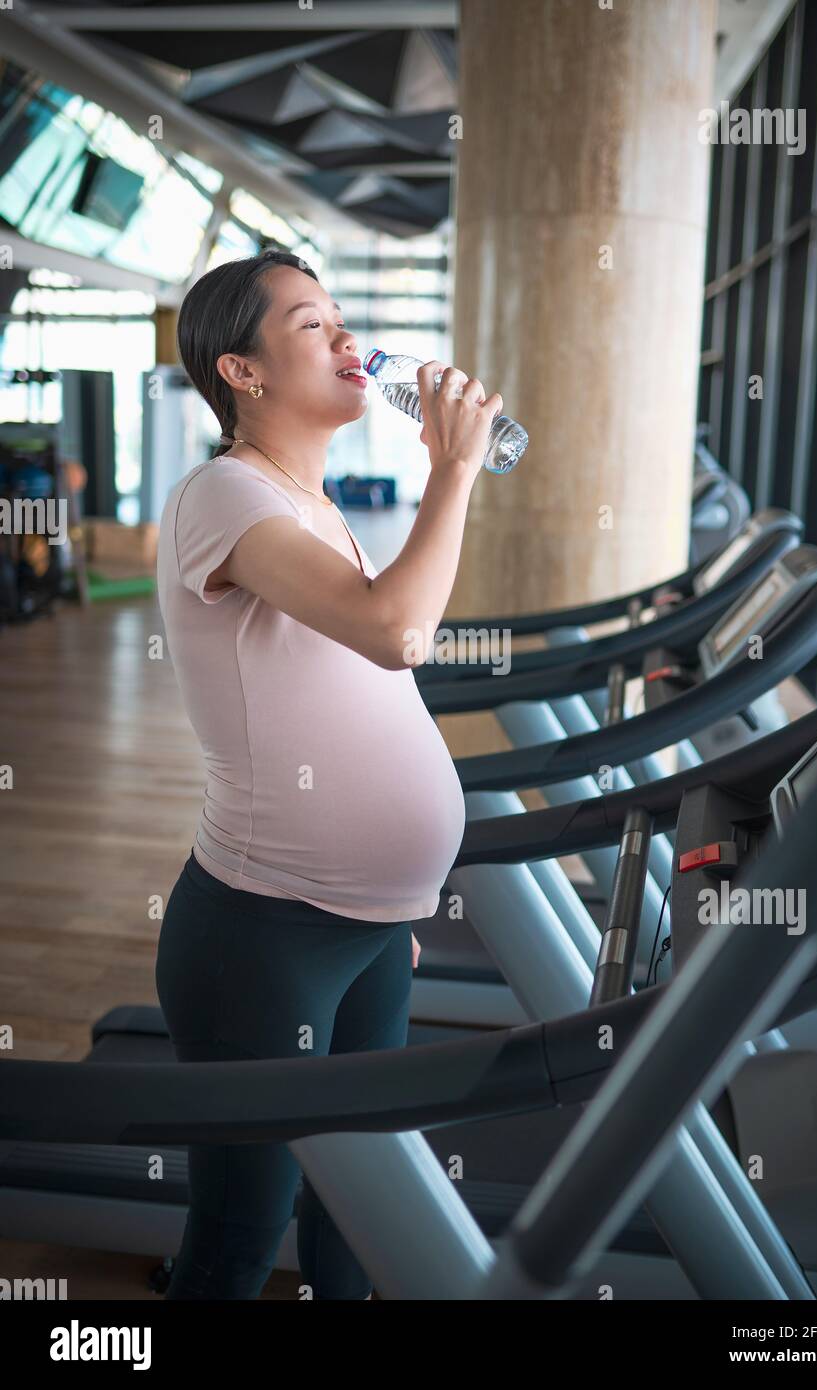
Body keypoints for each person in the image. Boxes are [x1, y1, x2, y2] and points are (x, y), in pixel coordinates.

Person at [154, 248, 502, 1299]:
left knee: (366, 1212)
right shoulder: (222, 493)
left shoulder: (307, 503)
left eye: (343, 319)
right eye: (312, 325)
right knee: (238, 1231)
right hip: (263, 935)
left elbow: (367, 678)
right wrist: (452, 468)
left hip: (364, 929)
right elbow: (395, 633)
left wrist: (386, 897)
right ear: (241, 373)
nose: (349, 340)